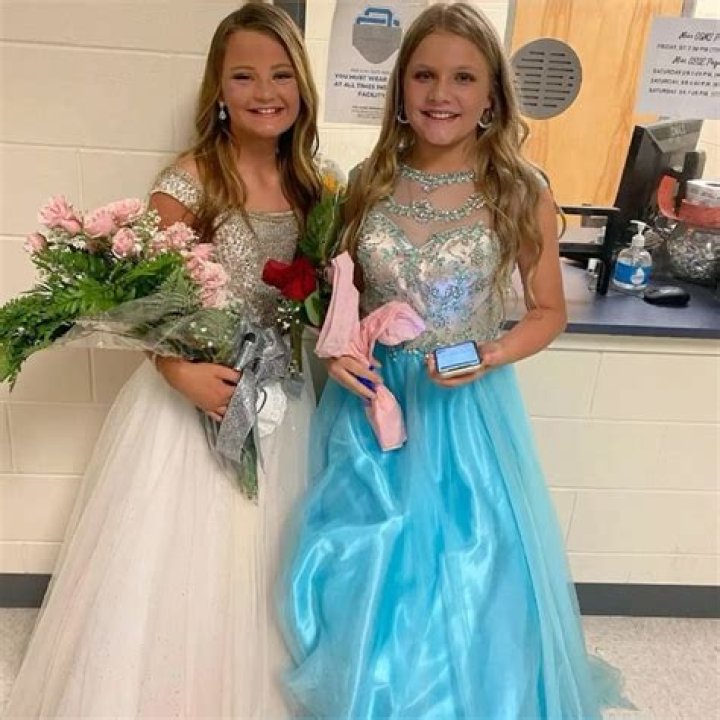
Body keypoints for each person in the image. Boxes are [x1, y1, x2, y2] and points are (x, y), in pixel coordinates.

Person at [279, 4, 628, 718]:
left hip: (463, 409)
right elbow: (342, 297)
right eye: (425, 76)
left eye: (464, 78)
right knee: (369, 559)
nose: (442, 94)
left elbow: (548, 311)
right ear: (401, 88)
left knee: (471, 565)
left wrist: (487, 352)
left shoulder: (519, 191)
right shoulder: (367, 181)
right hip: (372, 409)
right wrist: (337, 350)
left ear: (492, 93)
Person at [5, 4, 329, 717]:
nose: (264, 91)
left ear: (302, 87)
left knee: (272, 554)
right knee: (186, 565)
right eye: (243, 76)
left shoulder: (317, 185)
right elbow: (140, 302)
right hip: (192, 399)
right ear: (218, 88)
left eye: (280, 74)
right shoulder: (188, 181)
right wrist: (176, 370)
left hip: (282, 400)